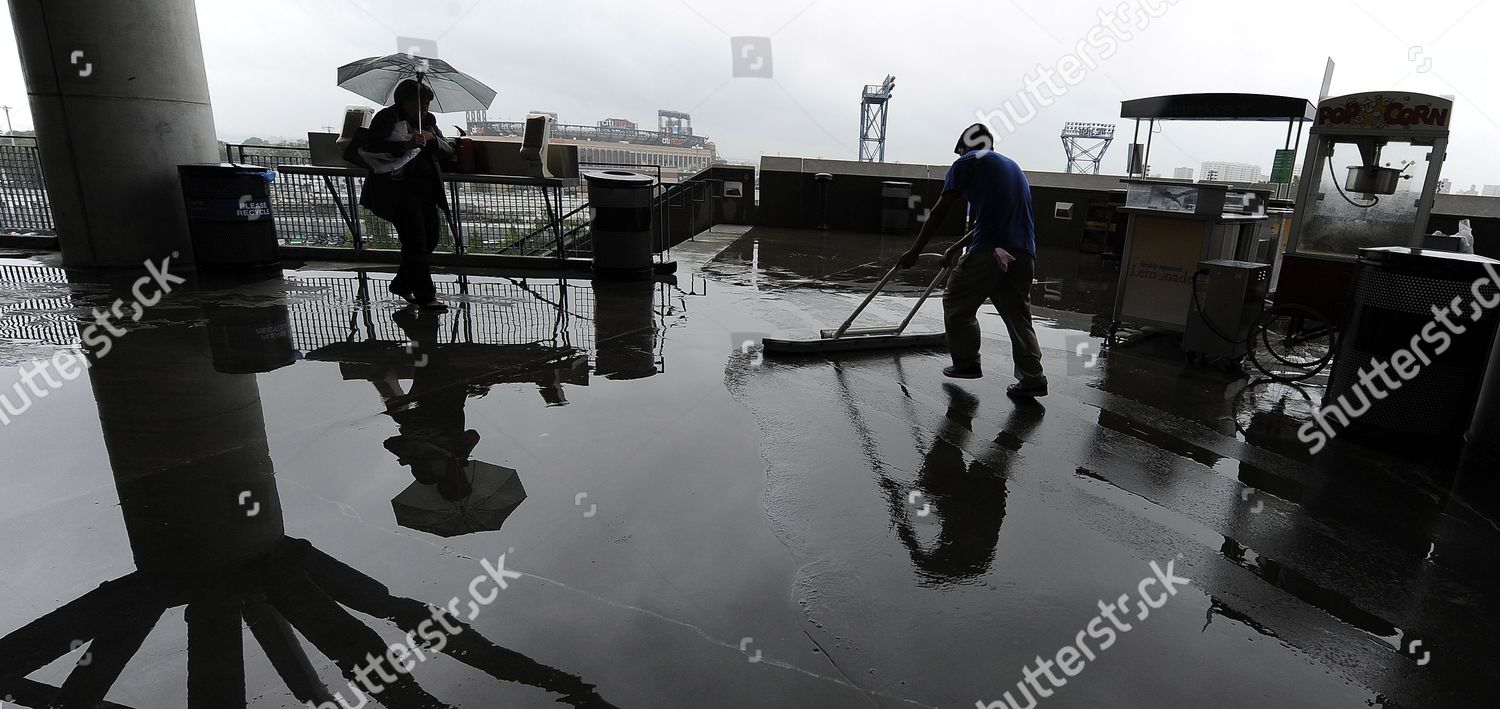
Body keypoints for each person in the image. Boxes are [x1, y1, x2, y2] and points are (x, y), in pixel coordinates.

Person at [899, 123, 1047, 397]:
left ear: (964, 148)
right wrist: (955, 248)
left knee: (956, 303)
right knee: (1018, 316)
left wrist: (915, 250)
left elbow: (938, 212)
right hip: (1023, 253)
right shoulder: (1011, 167)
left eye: (959, 152)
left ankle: (966, 363)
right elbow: (988, 219)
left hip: (991, 252)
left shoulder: (967, 163)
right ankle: (1033, 378)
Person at [359, 79, 455, 311]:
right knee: (416, 242)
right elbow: (372, 147)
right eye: (419, 101)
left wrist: (431, 139)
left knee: (429, 238)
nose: (424, 106)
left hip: (426, 190)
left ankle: (402, 283)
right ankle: (426, 295)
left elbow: (448, 151)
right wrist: (404, 144)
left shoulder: (429, 122)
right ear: (403, 101)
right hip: (397, 190)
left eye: (427, 102)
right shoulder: (386, 118)